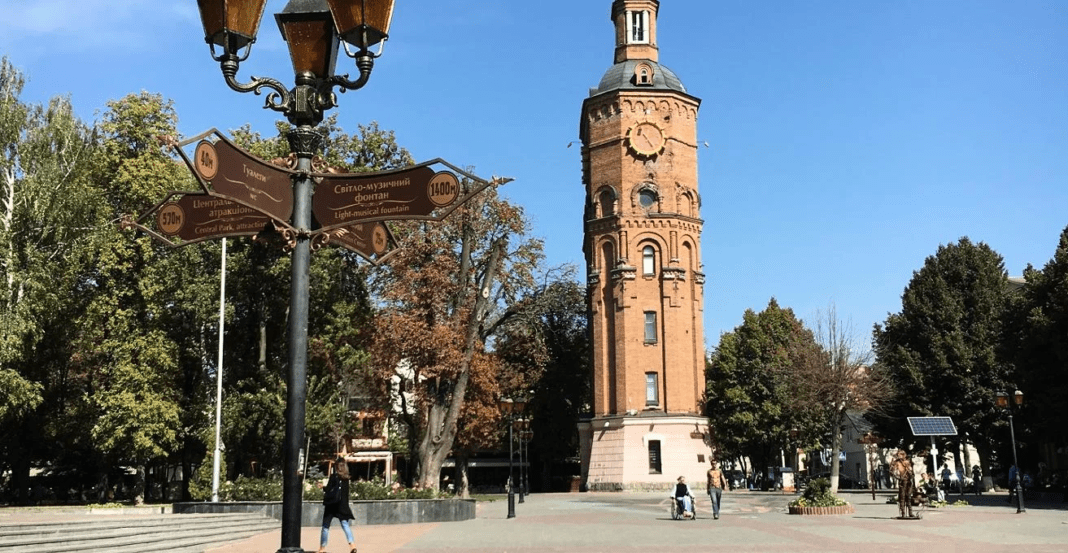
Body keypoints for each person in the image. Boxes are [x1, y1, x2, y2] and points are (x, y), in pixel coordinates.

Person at [318, 457, 357, 553]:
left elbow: (328, 489)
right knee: (345, 525)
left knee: (325, 526)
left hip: (332, 505)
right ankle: (352, 545)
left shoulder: (333, 477)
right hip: (342, 505)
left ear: (337, 467)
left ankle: (322, 548)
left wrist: (322, 486)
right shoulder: (346, 478)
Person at [889, 449, 916, 519]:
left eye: (900, 455)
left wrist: (910, 471)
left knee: (909, 497)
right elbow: (892, 471)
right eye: (898, 455)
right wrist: (897, 476)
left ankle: (910, 513)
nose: (899, 456)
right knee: (902, 497)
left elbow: (912, 472)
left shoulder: (908, 461)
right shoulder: (897, 462)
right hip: (902, 481)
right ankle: (903, 513)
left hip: (909, 481)